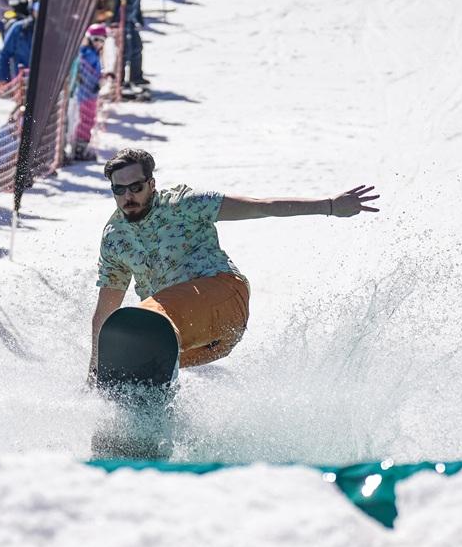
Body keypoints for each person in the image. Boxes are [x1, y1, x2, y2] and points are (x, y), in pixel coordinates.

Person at [89, 148, 380, 378]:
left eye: (136, 187)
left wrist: (329, 205)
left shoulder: (184, 205)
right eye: (119, 190)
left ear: (151, 184)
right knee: (135, 363)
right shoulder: (115, 239)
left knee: (146, 319)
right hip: (200, 342)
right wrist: (95, 368)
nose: (128, 196)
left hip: (224, 297)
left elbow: (260, 206)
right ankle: (142, 435)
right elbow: (106, 309)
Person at [71, 24, 107, 162]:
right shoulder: (87, 54)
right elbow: (85, 74)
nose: (99, 43)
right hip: (84, 95)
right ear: (90, 39)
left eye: (102, 40)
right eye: (96, 39)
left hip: (90, 94)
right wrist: (97, 83)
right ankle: (79, 148)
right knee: (85, 120)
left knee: (89, 119)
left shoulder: (93, 54)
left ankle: (82, 146)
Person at [116, 0, 147, 90]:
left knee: (137, 47)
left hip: (131, 20)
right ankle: (120, 81)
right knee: (125, 50)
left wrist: (140, 19)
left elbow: (137, 2)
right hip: (121, 20)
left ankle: (136, 77)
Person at [0, 3, 34, 84]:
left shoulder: (53, 29)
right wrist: (2, 79)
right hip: (22, 81)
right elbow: (4, 54)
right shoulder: (19, 28)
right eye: (37, 6)